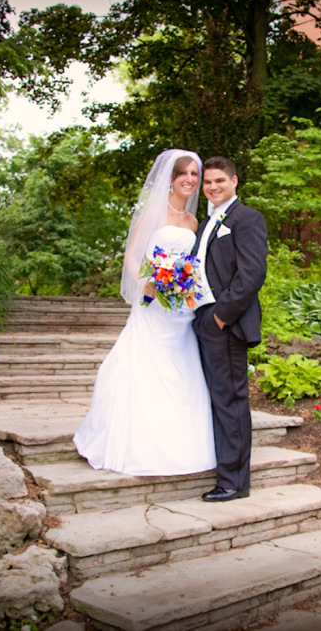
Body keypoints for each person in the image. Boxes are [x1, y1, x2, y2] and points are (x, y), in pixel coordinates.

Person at [72, 149, 217, 476]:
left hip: (182, 310)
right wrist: (146, 283)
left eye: (195, 175)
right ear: (171, 177)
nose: (190, 180)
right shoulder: (154, 212)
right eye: (184, 174)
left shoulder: (194, 221)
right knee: (147, 368)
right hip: (153, 307)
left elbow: (193, 265)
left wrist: (186, 286)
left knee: (183, 371)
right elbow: (132, 257)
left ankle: (185, 446)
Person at [192, 156, 268, 502]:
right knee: (218, 399)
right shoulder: (207, 221)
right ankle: (227, 473)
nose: (213, 187)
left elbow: (251, 275)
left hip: (226, 323)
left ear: (235, 181)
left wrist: (220, 317)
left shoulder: (247, 219)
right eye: (208, 182)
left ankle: (234, 482)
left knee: (231, 401)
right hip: (202, 320)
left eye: (219, 180)